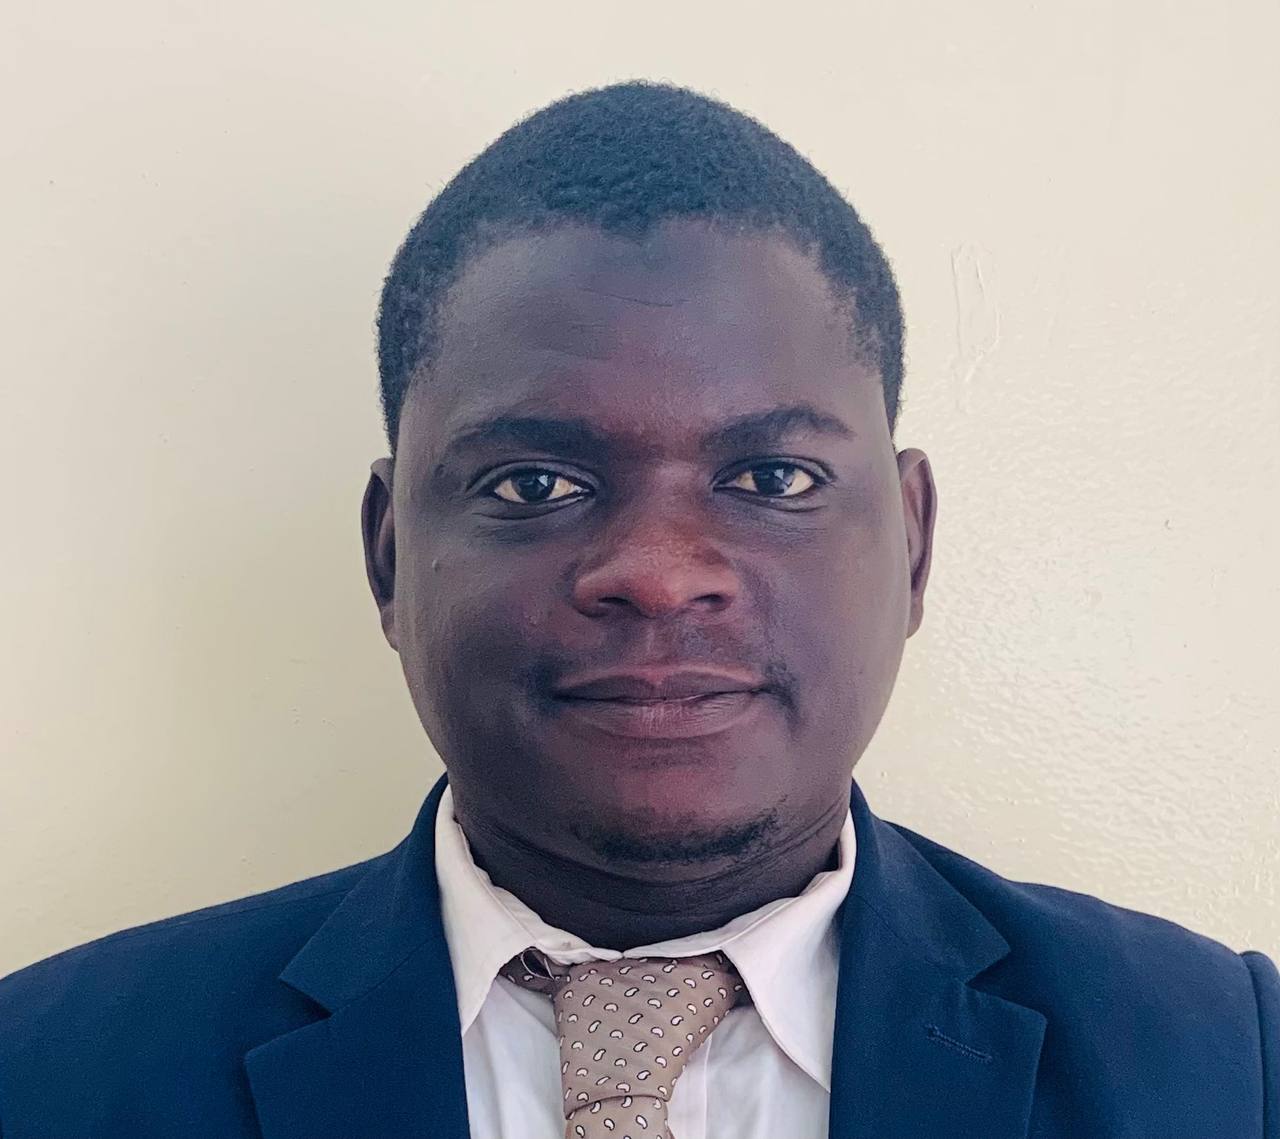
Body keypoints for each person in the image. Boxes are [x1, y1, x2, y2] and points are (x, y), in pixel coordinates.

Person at [0, 80, 1275, 1139]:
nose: (657, 571)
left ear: (912, 542)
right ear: (389, 557)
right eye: (533, 482)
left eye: (770, 478)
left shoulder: (1226, 1062)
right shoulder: (48, 1073)